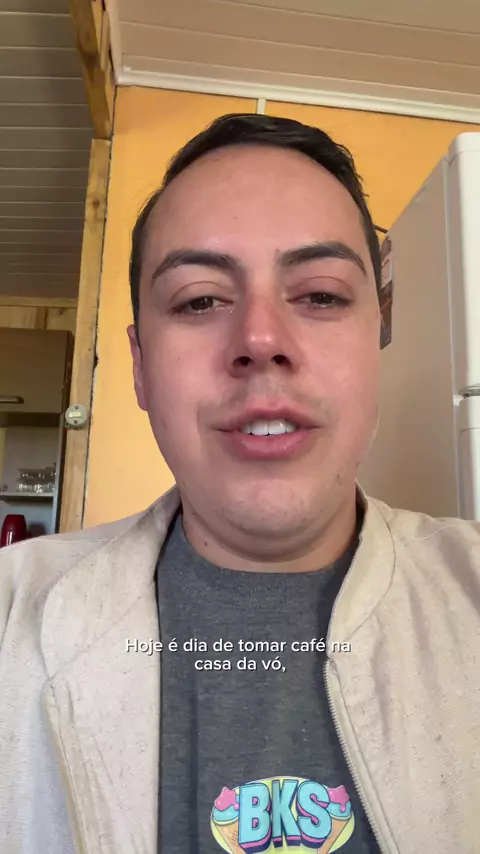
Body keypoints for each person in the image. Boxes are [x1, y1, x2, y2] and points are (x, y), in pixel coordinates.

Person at [1, 113, 479, 854]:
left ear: (377, 336)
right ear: (140, 367)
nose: (260, 339)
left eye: (321, 295)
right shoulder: (12, 616)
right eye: (199, 299)